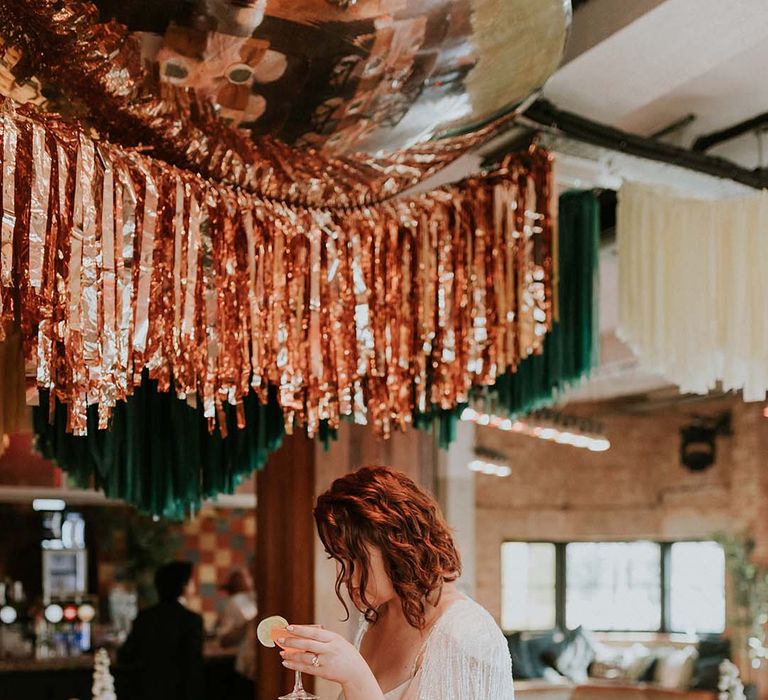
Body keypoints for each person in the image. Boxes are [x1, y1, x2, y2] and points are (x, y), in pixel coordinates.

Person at [278, 466, 514, 700]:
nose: (346, 575)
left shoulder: (467, 634)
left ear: (397, 546)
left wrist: (355, 677)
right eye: (340, 560)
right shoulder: (379, 615)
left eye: (355, 559)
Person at [118, 560, 205, 700]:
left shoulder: (145, 617)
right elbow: (193, 667)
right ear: (184, 586)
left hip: (146, 692)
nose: (194, 587)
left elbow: (125, 655)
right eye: (192, 582)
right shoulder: (191, 620)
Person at [217, 567, 257, 698]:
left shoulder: (279, 599)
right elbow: (224, 641)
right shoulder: (237, 602)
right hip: (247, 672)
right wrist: (247, 625)